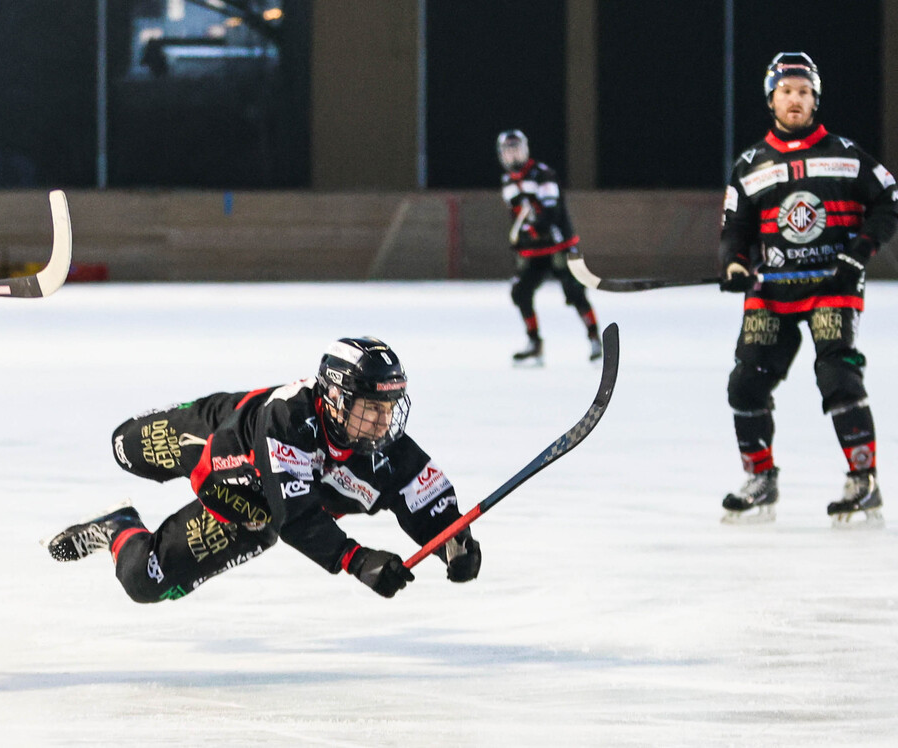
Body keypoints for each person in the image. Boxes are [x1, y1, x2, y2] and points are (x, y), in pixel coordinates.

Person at [45, 337, 482, 601]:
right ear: (335, 398)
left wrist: (454, 542)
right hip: (217, 437)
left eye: (389, 408)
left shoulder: (387, 452)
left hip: (248, 514)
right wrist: (357, 558)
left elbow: (426, 501)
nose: (383, 423)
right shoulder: (289, 417)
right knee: (124, 445)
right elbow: (298, 511)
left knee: (143, 581)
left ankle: (118, 526)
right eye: (371, 408)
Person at [718, 52, 898, 527]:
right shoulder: (750, 165)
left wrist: (857, 253)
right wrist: (734, 263)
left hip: (831, 288)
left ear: (815, 98)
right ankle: (760, 479)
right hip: (771, 291)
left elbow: (889, 200)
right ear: (771, 99)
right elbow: (735, 228)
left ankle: (863, 481)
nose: (794, 99)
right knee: (745, 383)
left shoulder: (846, 155)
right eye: (785, 91)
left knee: (838, 377)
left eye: (803, 91)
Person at [497, 129, 602, 366]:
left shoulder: (543, 175)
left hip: (558, 246)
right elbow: (517, 216)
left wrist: (534, 228)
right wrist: (521, 241)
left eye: (516, 150)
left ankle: (595, 338)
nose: (513, 156)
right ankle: (534, 343)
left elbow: (550, 213)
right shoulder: (507, 181)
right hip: (535, 251)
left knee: (574, 292)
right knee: (520, 292)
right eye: (508, 151)